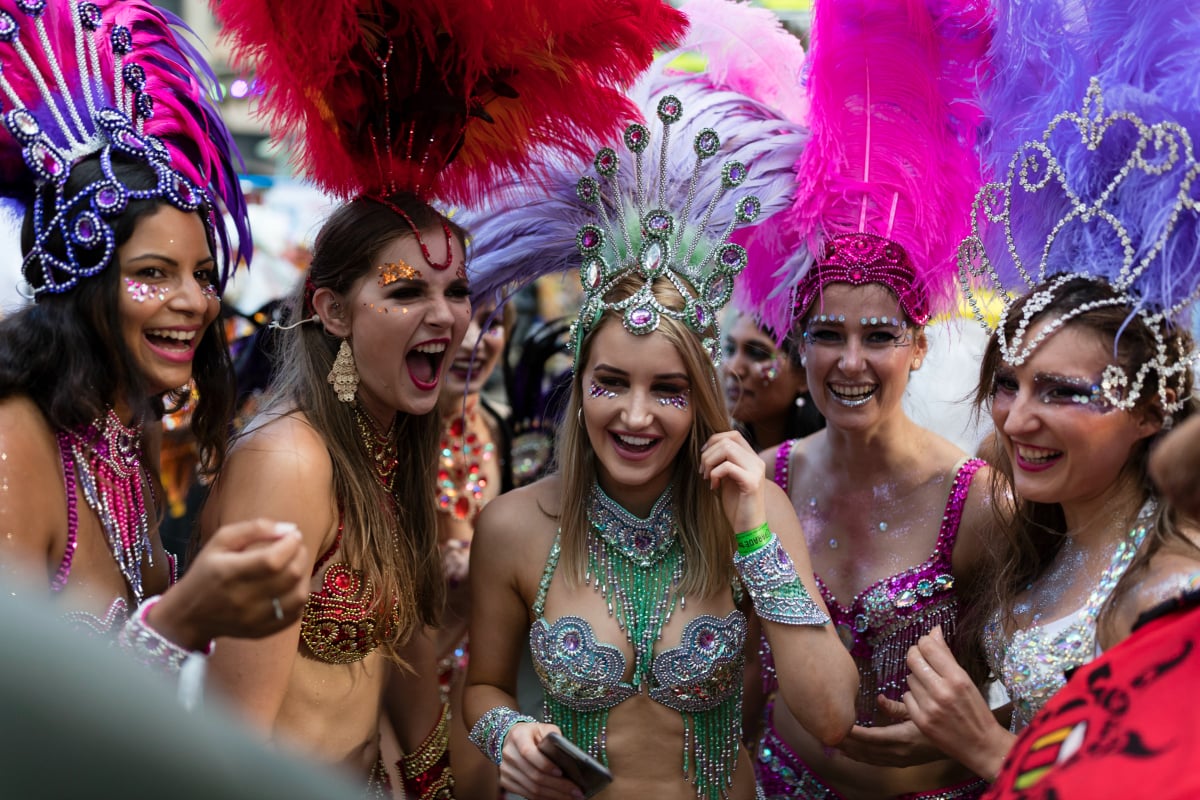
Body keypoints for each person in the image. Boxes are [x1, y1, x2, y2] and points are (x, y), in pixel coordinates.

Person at [207, 0, 690, 796]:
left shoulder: (384, 444)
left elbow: (397, 671)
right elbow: (227, 743)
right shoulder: (288, 461)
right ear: (330, 310)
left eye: (457, 289)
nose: (446, 316)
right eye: (405, 292)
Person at [463, 84, 858, 799]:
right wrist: (509, 735)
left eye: (670, 391)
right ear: (579, 385)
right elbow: (484, 686)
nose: (637, 417)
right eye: (612, 383)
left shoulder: (755, 513)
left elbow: (830, 715)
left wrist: (751, 536)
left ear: (701, 401)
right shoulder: (514, 526)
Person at [898, 0, 1200, 784]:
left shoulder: (1170, 596)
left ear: (1147, 409)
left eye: (1062, 392)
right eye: (1006, 384)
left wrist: (985, 748)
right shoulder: (1031, 538)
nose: (1016, 419)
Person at [731, 0, 996, 797]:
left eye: (879, 336)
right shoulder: (761, 479)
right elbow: (744, 669)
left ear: (917, 347)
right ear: (799, 342)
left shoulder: (976, 500)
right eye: (826, 335)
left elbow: (1015, 677)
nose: (850, 362)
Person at [0, 0, 308, 677]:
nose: (192, 302)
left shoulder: (122, 434)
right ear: (80, 288)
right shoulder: (15, 439)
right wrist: (180, 621)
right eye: (150, 274)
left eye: (202, 275)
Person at [435, 298, 515, 798]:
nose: (473, 342)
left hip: (478, 689)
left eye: (493, 323)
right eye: (464, 322)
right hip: (400, 686)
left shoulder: (499, 427)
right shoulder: (389, 438)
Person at [722, 311, 823, 453]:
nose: (733, 369)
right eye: (730, 349)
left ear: (803, 375)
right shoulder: (714, 453)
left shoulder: (825, 463)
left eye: (756, 354)